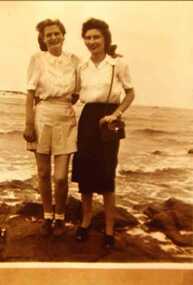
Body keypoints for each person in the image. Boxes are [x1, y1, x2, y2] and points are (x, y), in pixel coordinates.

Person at [72, 18, 135, 248]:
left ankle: (109, 229)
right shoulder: (82, 67)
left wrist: (116, 114)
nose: (91, 41)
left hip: (109, 119)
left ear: (105, 38)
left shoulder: (117, 64)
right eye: (87, 37)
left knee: (107, 174)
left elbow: (130, 93)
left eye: (96, 37)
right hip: (88, 118)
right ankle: (86, 221)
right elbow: (77, 95)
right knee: (85, 171)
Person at [23, 19, 79, 237]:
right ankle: (48, 215)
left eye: (57, 33)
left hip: (65, 117)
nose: (53, 38)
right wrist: (28, 123)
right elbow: (29, 94)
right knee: (44, 173)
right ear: (43, 39)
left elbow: (78, 92)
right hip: (42, 116)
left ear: (63, 35)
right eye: (49, 35)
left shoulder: (75, 61)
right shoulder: (37, 59)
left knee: (61, 177)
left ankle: (61, 217)